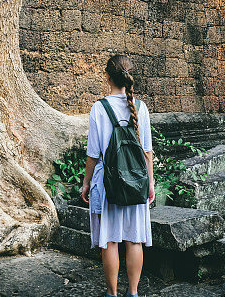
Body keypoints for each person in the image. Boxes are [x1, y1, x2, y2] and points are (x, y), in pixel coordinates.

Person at [81, 54, 155, 297]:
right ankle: (132, 293)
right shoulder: (140, 107)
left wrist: (86, 183)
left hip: (107, 182)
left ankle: (112, 294)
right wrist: (150, 182)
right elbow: (147, 151)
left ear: (107, 76)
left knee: (110, 241)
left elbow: (93, 153)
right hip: (136, 180)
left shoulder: (99, 108)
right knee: (134, 240)